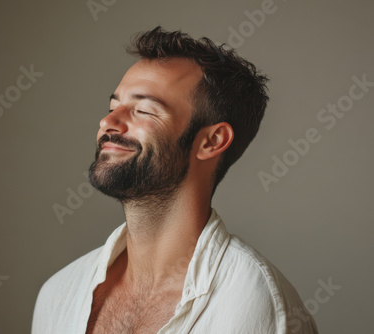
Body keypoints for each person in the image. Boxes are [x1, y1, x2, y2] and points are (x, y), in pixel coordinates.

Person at [32, 26, 318, 333]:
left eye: (143, 110)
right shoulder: (58, 293)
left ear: (212, 141)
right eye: (113, 107)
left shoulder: (255, 304)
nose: (108, 122)